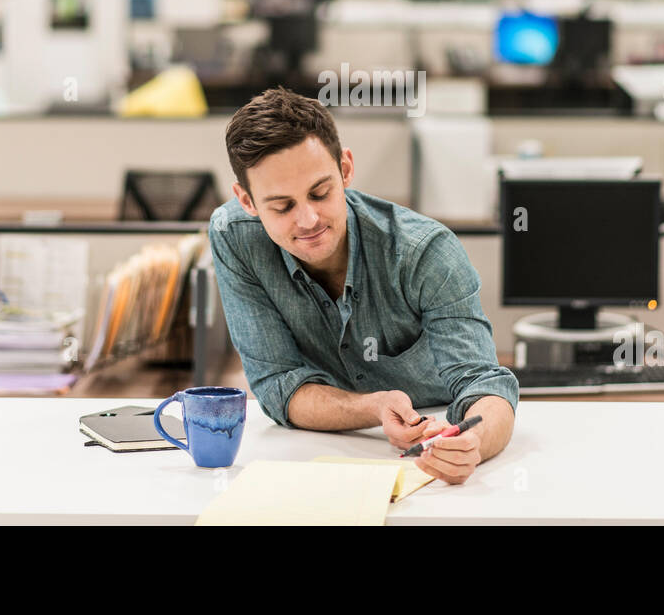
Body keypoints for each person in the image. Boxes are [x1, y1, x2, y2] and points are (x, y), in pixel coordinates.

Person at [208, 87, 517, 485]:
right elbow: (277, 384)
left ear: (346, 168)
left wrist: (474, 442)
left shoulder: (424, 251)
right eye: (282, 206)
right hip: (322, 451)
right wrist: (374, 407)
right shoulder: (235, 235)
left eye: (321, 193)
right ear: (247, 200)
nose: (307, 220)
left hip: (438, 436)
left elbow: (485, 385)